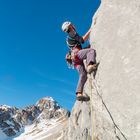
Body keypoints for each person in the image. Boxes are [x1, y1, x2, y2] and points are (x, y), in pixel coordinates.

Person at [62, 21, 97, 101]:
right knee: (91, 51)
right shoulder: (72, 33)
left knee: (83, 74)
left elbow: (76, 47)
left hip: (75, 60)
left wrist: (85, 48)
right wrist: (91, 29)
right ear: (70, 26)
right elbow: (82, 40)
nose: (73, 25)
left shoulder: (68, 39)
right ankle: (90, 65)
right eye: (71, 25)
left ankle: (79, 93)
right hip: (77, 55)